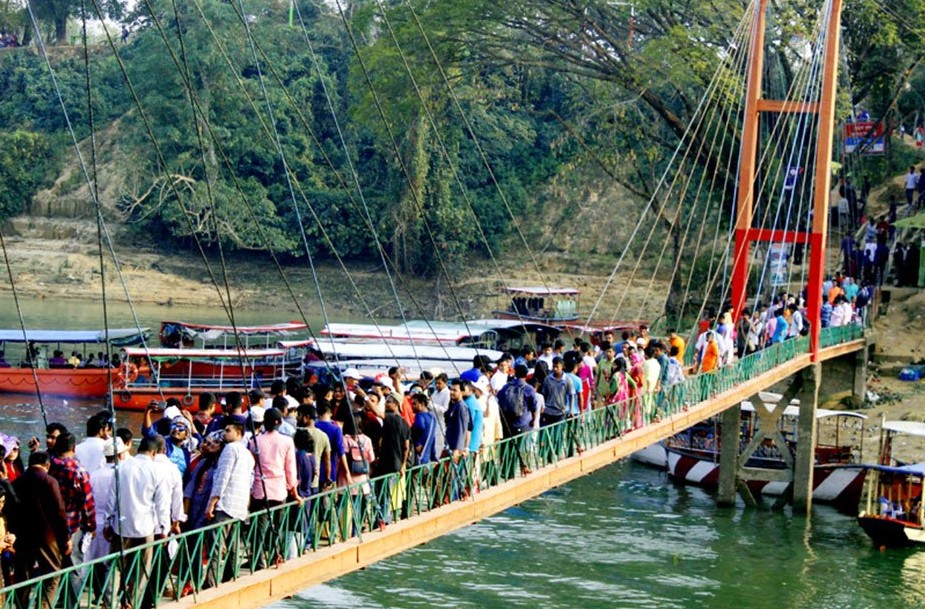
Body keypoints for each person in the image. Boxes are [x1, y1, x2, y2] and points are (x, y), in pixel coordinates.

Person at [10, 451, 70, 609]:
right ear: (47, 465)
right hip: (46, 537)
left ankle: (21, 606)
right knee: (52, 575)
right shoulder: (49, 481)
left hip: (22, 536)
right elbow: (59, 512)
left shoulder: (17, 482)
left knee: (23, 576)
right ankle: (43, 606)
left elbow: (11, 511)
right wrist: (66, 538)